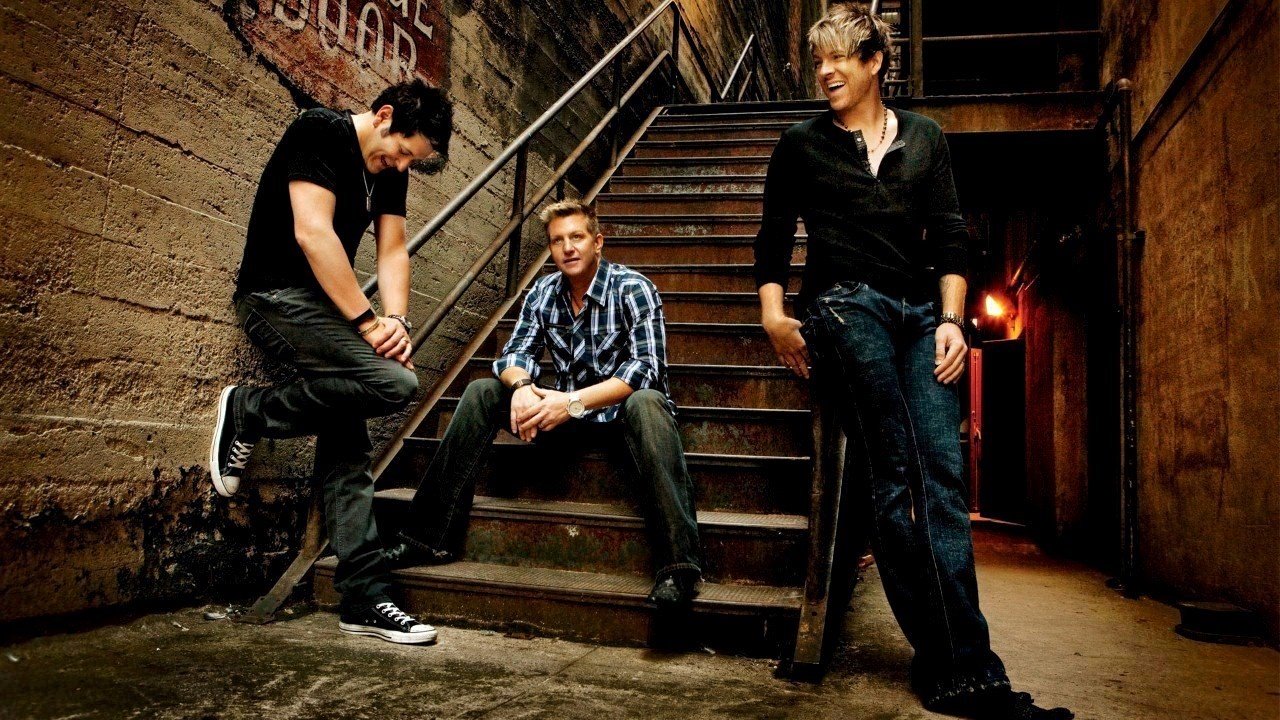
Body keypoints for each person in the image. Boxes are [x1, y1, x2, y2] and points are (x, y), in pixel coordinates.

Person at [753, 5, 1073, 719]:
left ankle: (961, 665)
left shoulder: (925, 138)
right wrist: (775, 318)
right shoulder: (800, 145)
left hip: (920, 314)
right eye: (819, 60)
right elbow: (772, 241)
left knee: (943, 476)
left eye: (841, 57)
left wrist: (953, 321)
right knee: (895, 470)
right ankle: (962, 667)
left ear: (874, 62)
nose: (826, 71)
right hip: (843, 306)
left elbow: (952, 238)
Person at [208, 79, 452, 645]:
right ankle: (250, 411)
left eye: (412, 161)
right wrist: (368, 324)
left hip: (326, 313)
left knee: (348, 441)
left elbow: (392, 249)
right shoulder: (319, 130)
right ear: (384, 115)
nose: (401, 166)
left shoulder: (390, 171)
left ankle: (363, 596)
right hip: (274, 298)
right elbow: (313, 233)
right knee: (394, 382)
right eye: (402, 151)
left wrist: (398, 320)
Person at [384, 199, 703, 608]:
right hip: (563, 421)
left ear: (597, 242)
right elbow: (515, 353)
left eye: (577, 237)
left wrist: (571, 402)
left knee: (648, 401)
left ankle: (679, 567)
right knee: (482, 392)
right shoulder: (543, 291)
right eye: (557, 241)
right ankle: (426, 539)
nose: (568, 248)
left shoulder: (633, 288)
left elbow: (647, 368)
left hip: (622, 425)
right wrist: (521, 386)